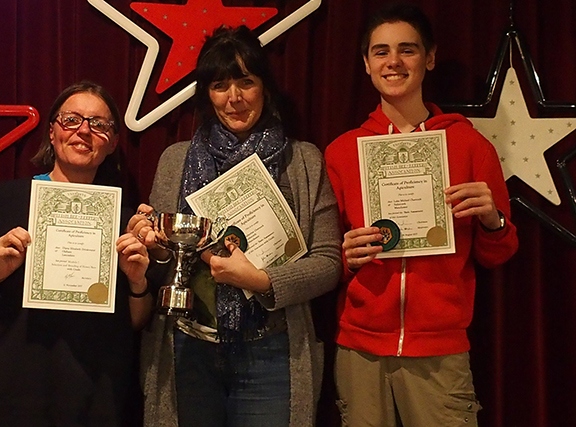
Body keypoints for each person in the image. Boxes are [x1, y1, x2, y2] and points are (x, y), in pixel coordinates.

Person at [127, 25, 341, 427]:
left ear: (265, 87)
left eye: (246, 82)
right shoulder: (175, 161)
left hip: (273, 350)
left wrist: (261, 280)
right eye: (220, 85)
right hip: (186, 349)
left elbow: (329, 262)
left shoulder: (304, 161)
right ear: (206, 94)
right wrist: (151, 241)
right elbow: (162, 261)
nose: (234, 98)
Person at [324, 3, 519, 427]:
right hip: (360, 348)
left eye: (407, 50)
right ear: (366, 63)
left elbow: (498, 254)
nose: (393, 61)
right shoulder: (342, 152)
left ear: (429, 58)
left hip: (439, 352)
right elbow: (324, 260)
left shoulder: (469, 146)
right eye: (380, 51)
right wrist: (345, 256)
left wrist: (492, 220)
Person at [0, 81, 153, 427]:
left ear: (112, 143)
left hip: (96, 401)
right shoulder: (6, 199)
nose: (84, 130)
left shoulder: (127, 222)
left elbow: (137, 321)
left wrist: (138, 280)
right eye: (71, 120)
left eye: (99, 124)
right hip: (8, 399)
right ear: (52, 132)